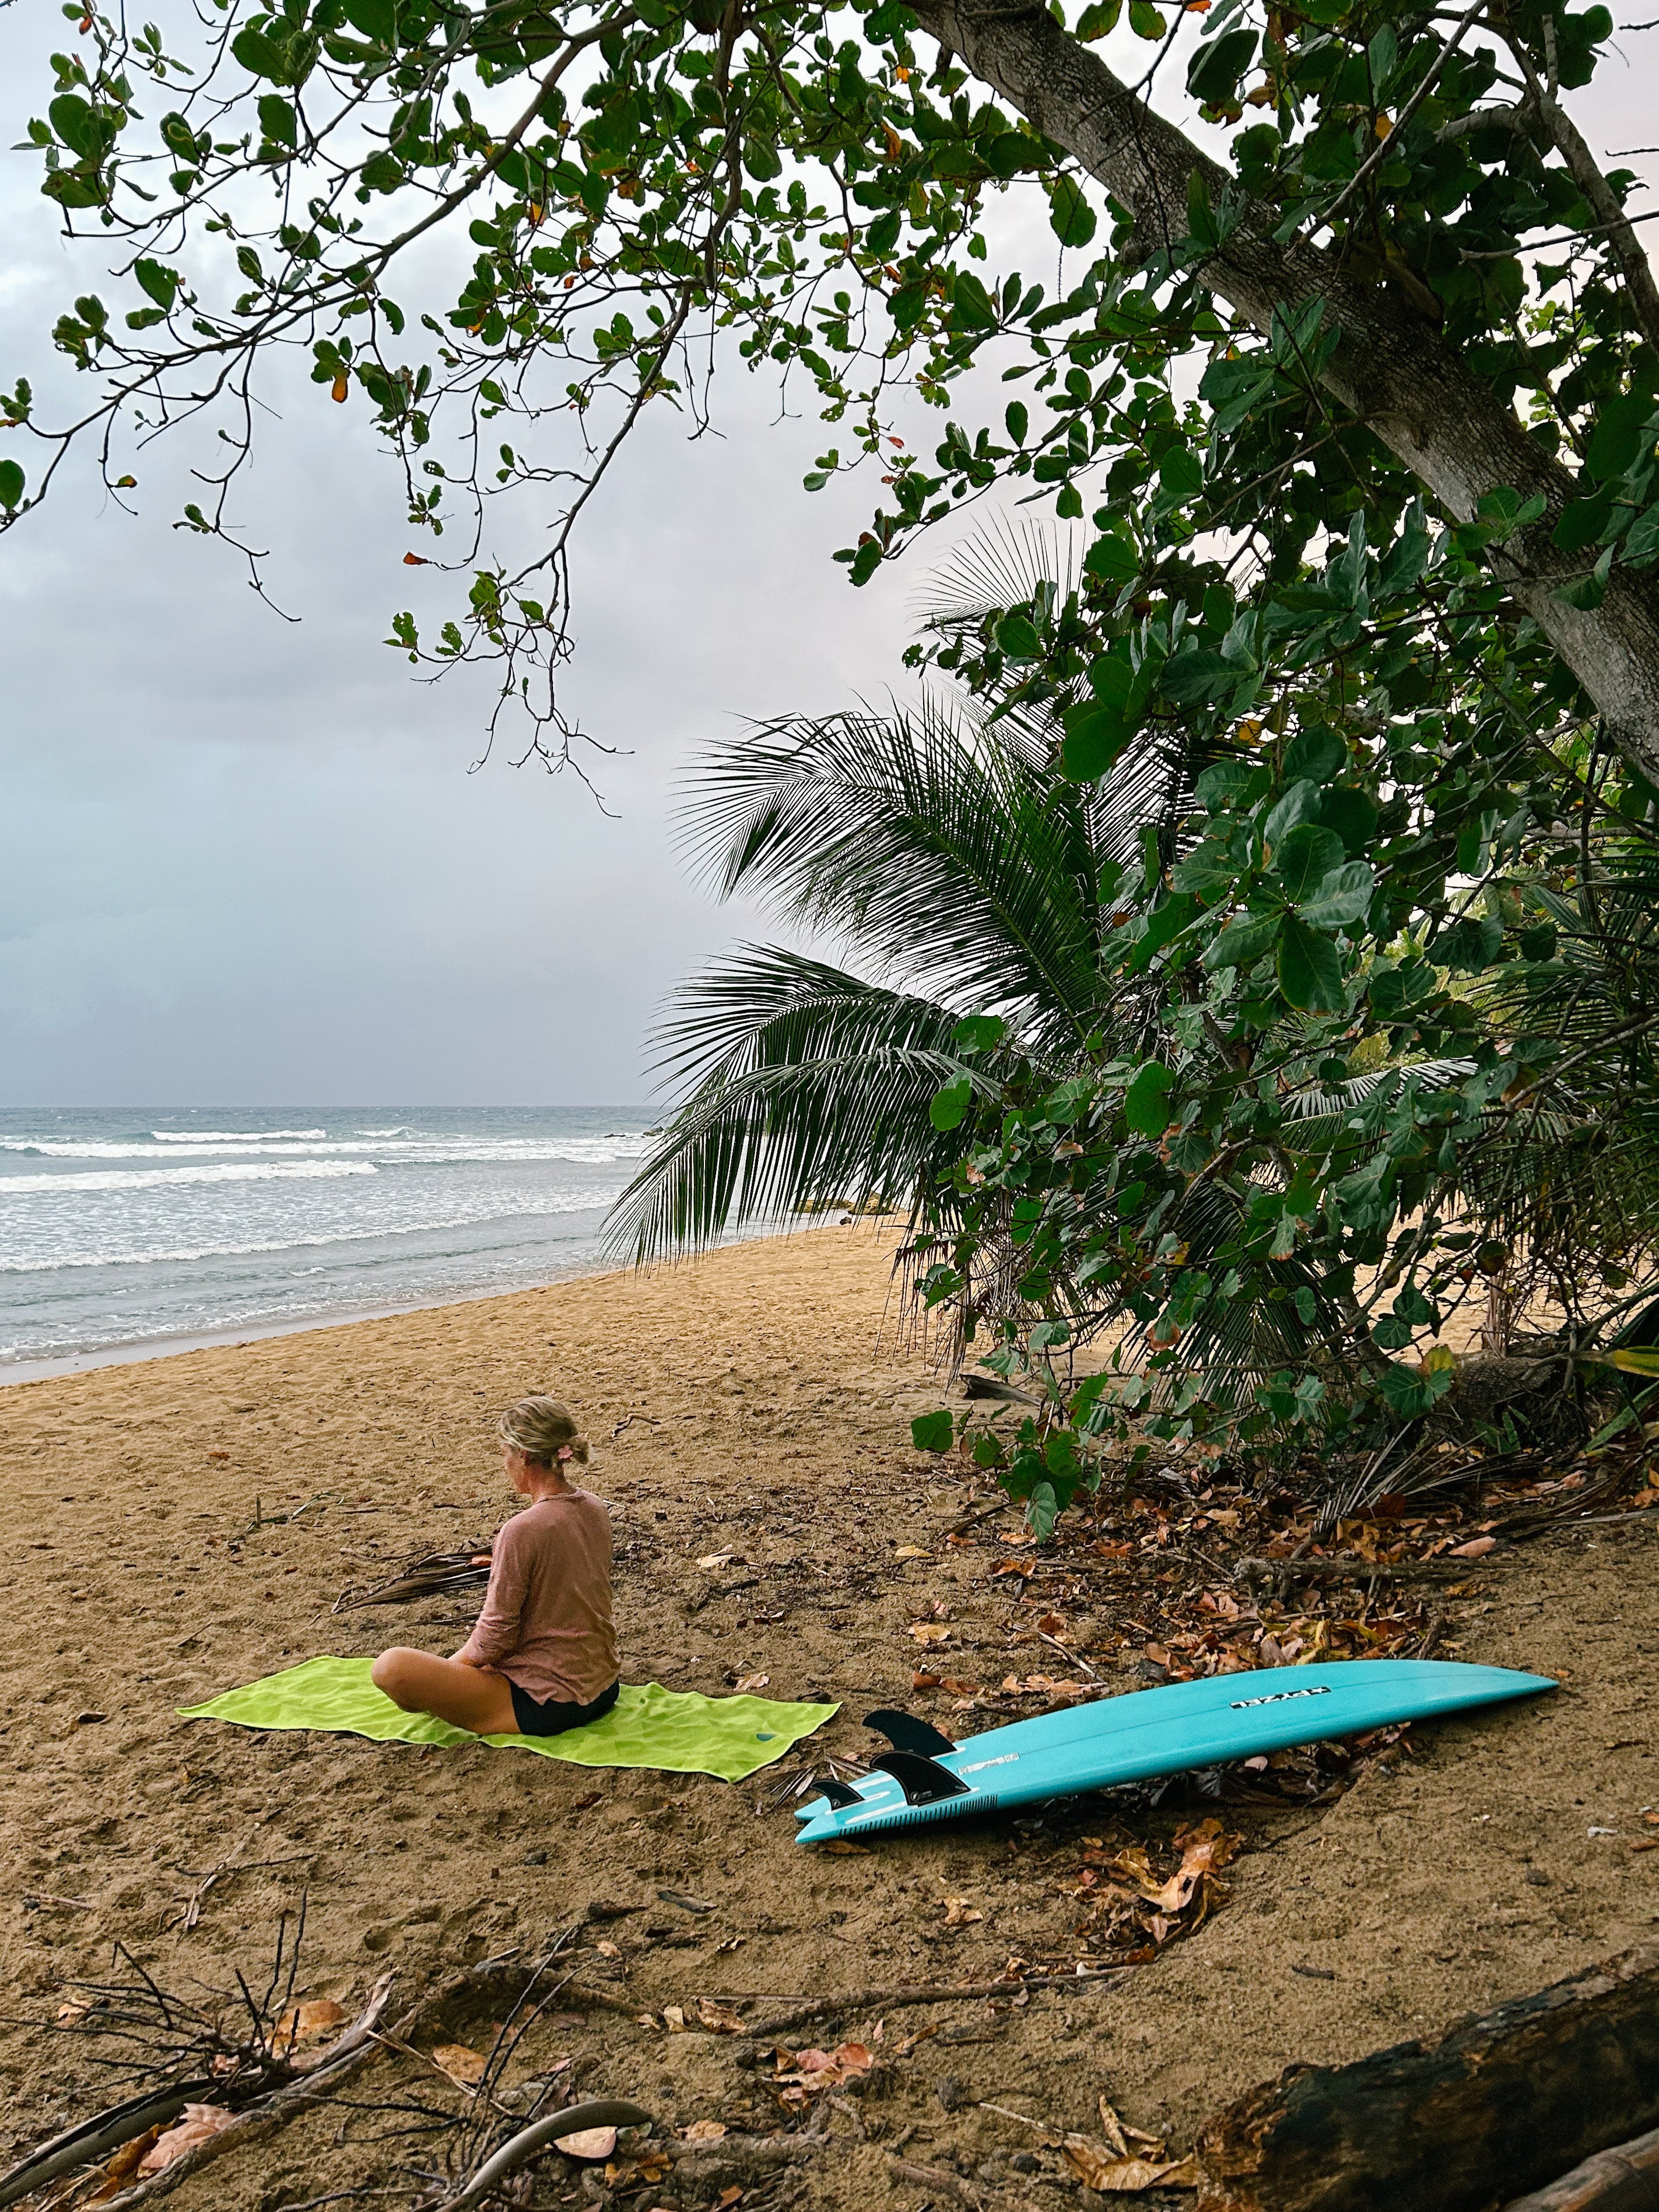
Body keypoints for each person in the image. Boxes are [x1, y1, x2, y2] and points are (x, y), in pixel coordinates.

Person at [371, 1396, 619, 1737]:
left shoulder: (523, 1529)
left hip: (549, 1703)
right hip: (604, 1687)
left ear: (524, 1455)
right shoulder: (594, 1507)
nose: (505, 1464)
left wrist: (448, 1670)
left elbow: (495, 1635)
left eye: (506, 1453)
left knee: (391, 1668)